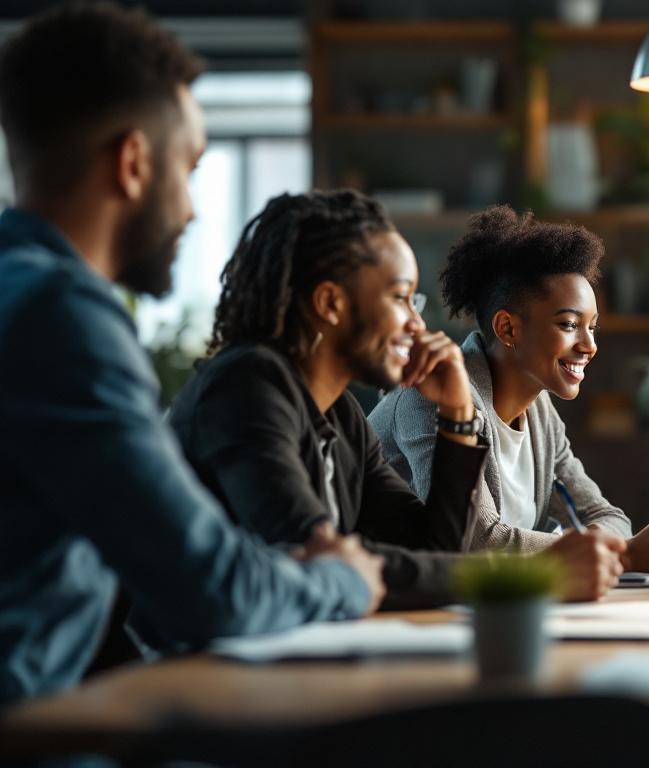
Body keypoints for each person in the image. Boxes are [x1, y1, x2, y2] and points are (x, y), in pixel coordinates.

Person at [0, 3, 383, 704]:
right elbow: (209, 587)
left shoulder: (18, 289)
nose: (195, 209)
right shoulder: (63, 318)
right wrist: (342, 580)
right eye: (192, 166)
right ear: (134, 163)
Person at [168, 191, 624, 607]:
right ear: (331, 303)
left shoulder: (340, 414)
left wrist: (459, 415)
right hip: (175, 673)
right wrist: (541, 573)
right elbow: (313, 561)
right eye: (400, 298)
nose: (416, 325)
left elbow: (435, 550)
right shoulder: (247, 389)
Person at [371, 206, 649, 574]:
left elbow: (606, 515)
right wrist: (623, 554)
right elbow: (475, 541)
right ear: (508, 329)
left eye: (593, 327)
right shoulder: (431, 397)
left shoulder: (540, 412)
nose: (589, 345)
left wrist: (608, 547)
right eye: (570, 324)